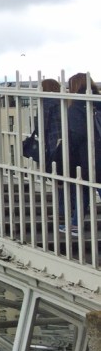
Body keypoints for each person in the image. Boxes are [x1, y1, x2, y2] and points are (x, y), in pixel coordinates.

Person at [63, 72, 101, 234]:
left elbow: (78, 133)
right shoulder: (98, 102)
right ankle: (75, 223)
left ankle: (76, 224)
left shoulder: (76, 106)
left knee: (85, 187)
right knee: (84, 188)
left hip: (88, 154)